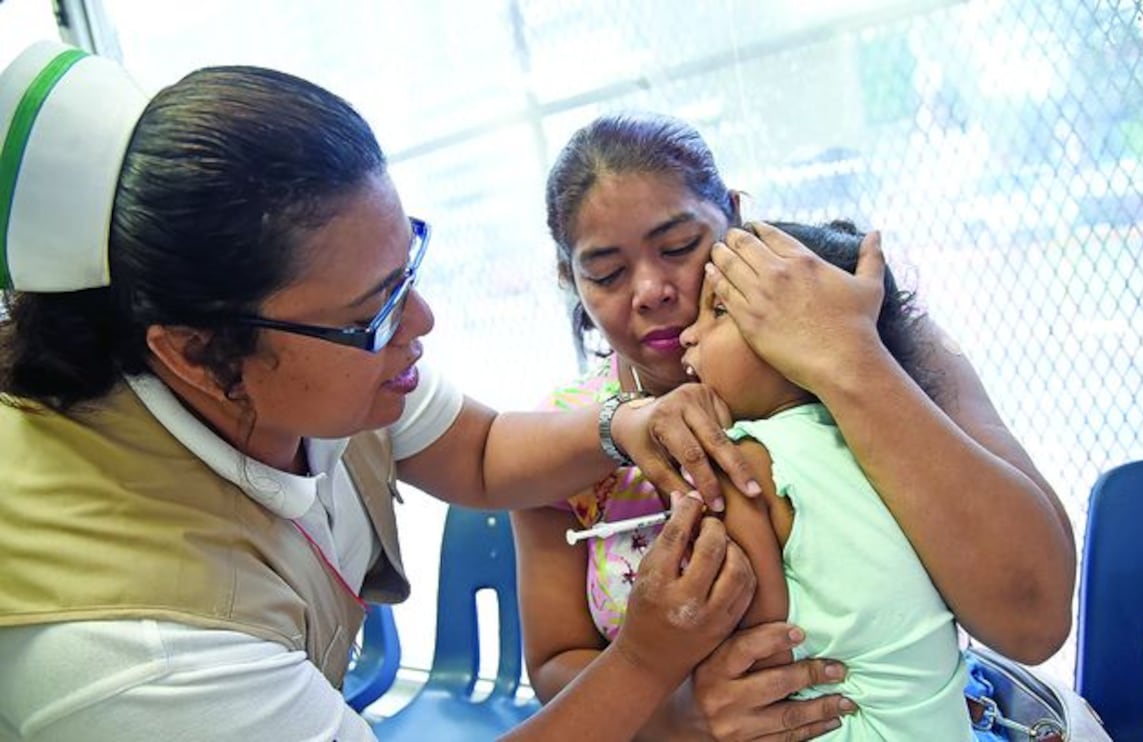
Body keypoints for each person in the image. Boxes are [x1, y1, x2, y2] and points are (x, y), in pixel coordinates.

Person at [0, 43, 763, 742]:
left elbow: (483, 451)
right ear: (199, 355)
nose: (421, 324)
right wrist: (644, 667)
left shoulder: (305, 364)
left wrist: (623, 427)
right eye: (372, 314)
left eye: (407, 274)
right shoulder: (139, 656)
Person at [513, 112, 1077, 740]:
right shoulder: (567, 439)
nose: (651, 289)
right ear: (570, 278)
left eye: (678, 247)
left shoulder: (868, 341)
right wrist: (677, 719)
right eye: (607, 273)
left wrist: (849, 362)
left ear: (732, 217)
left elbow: (1036, 619)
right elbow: (553, 662)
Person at [679, 219, 973, 740]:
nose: (689, 333)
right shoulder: (889, 442)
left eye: (718, 311)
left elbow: (757, 639)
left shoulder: (743, 459)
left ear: (793, 337)